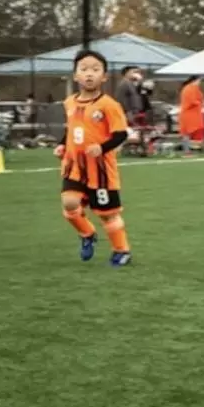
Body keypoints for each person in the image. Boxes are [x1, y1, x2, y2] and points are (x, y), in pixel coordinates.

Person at [55, 50, 132, 266]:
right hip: (74, 166)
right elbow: (71, 128)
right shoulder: (69, 102)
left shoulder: (109, 105)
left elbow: (121, 134)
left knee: (108, 214)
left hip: (100, 170)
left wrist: (102, 147)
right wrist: (62, 144)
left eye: (96, 70)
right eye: (84, 69)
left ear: (104, 77)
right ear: (75, 75)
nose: (89, 74)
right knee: (69, 203)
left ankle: (121, 250)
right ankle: (87, 233)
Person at [177, 76, 204, 155]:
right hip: (190, 114)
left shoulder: (189, 88)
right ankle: (187, 150)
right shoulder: (191, 88)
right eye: (199, 81)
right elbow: (193, 101)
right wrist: (201, 103)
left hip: (190, 113)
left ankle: (188, 150)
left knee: (187, 132)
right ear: (195, 80)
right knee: (188, 132)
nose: (200, 83)